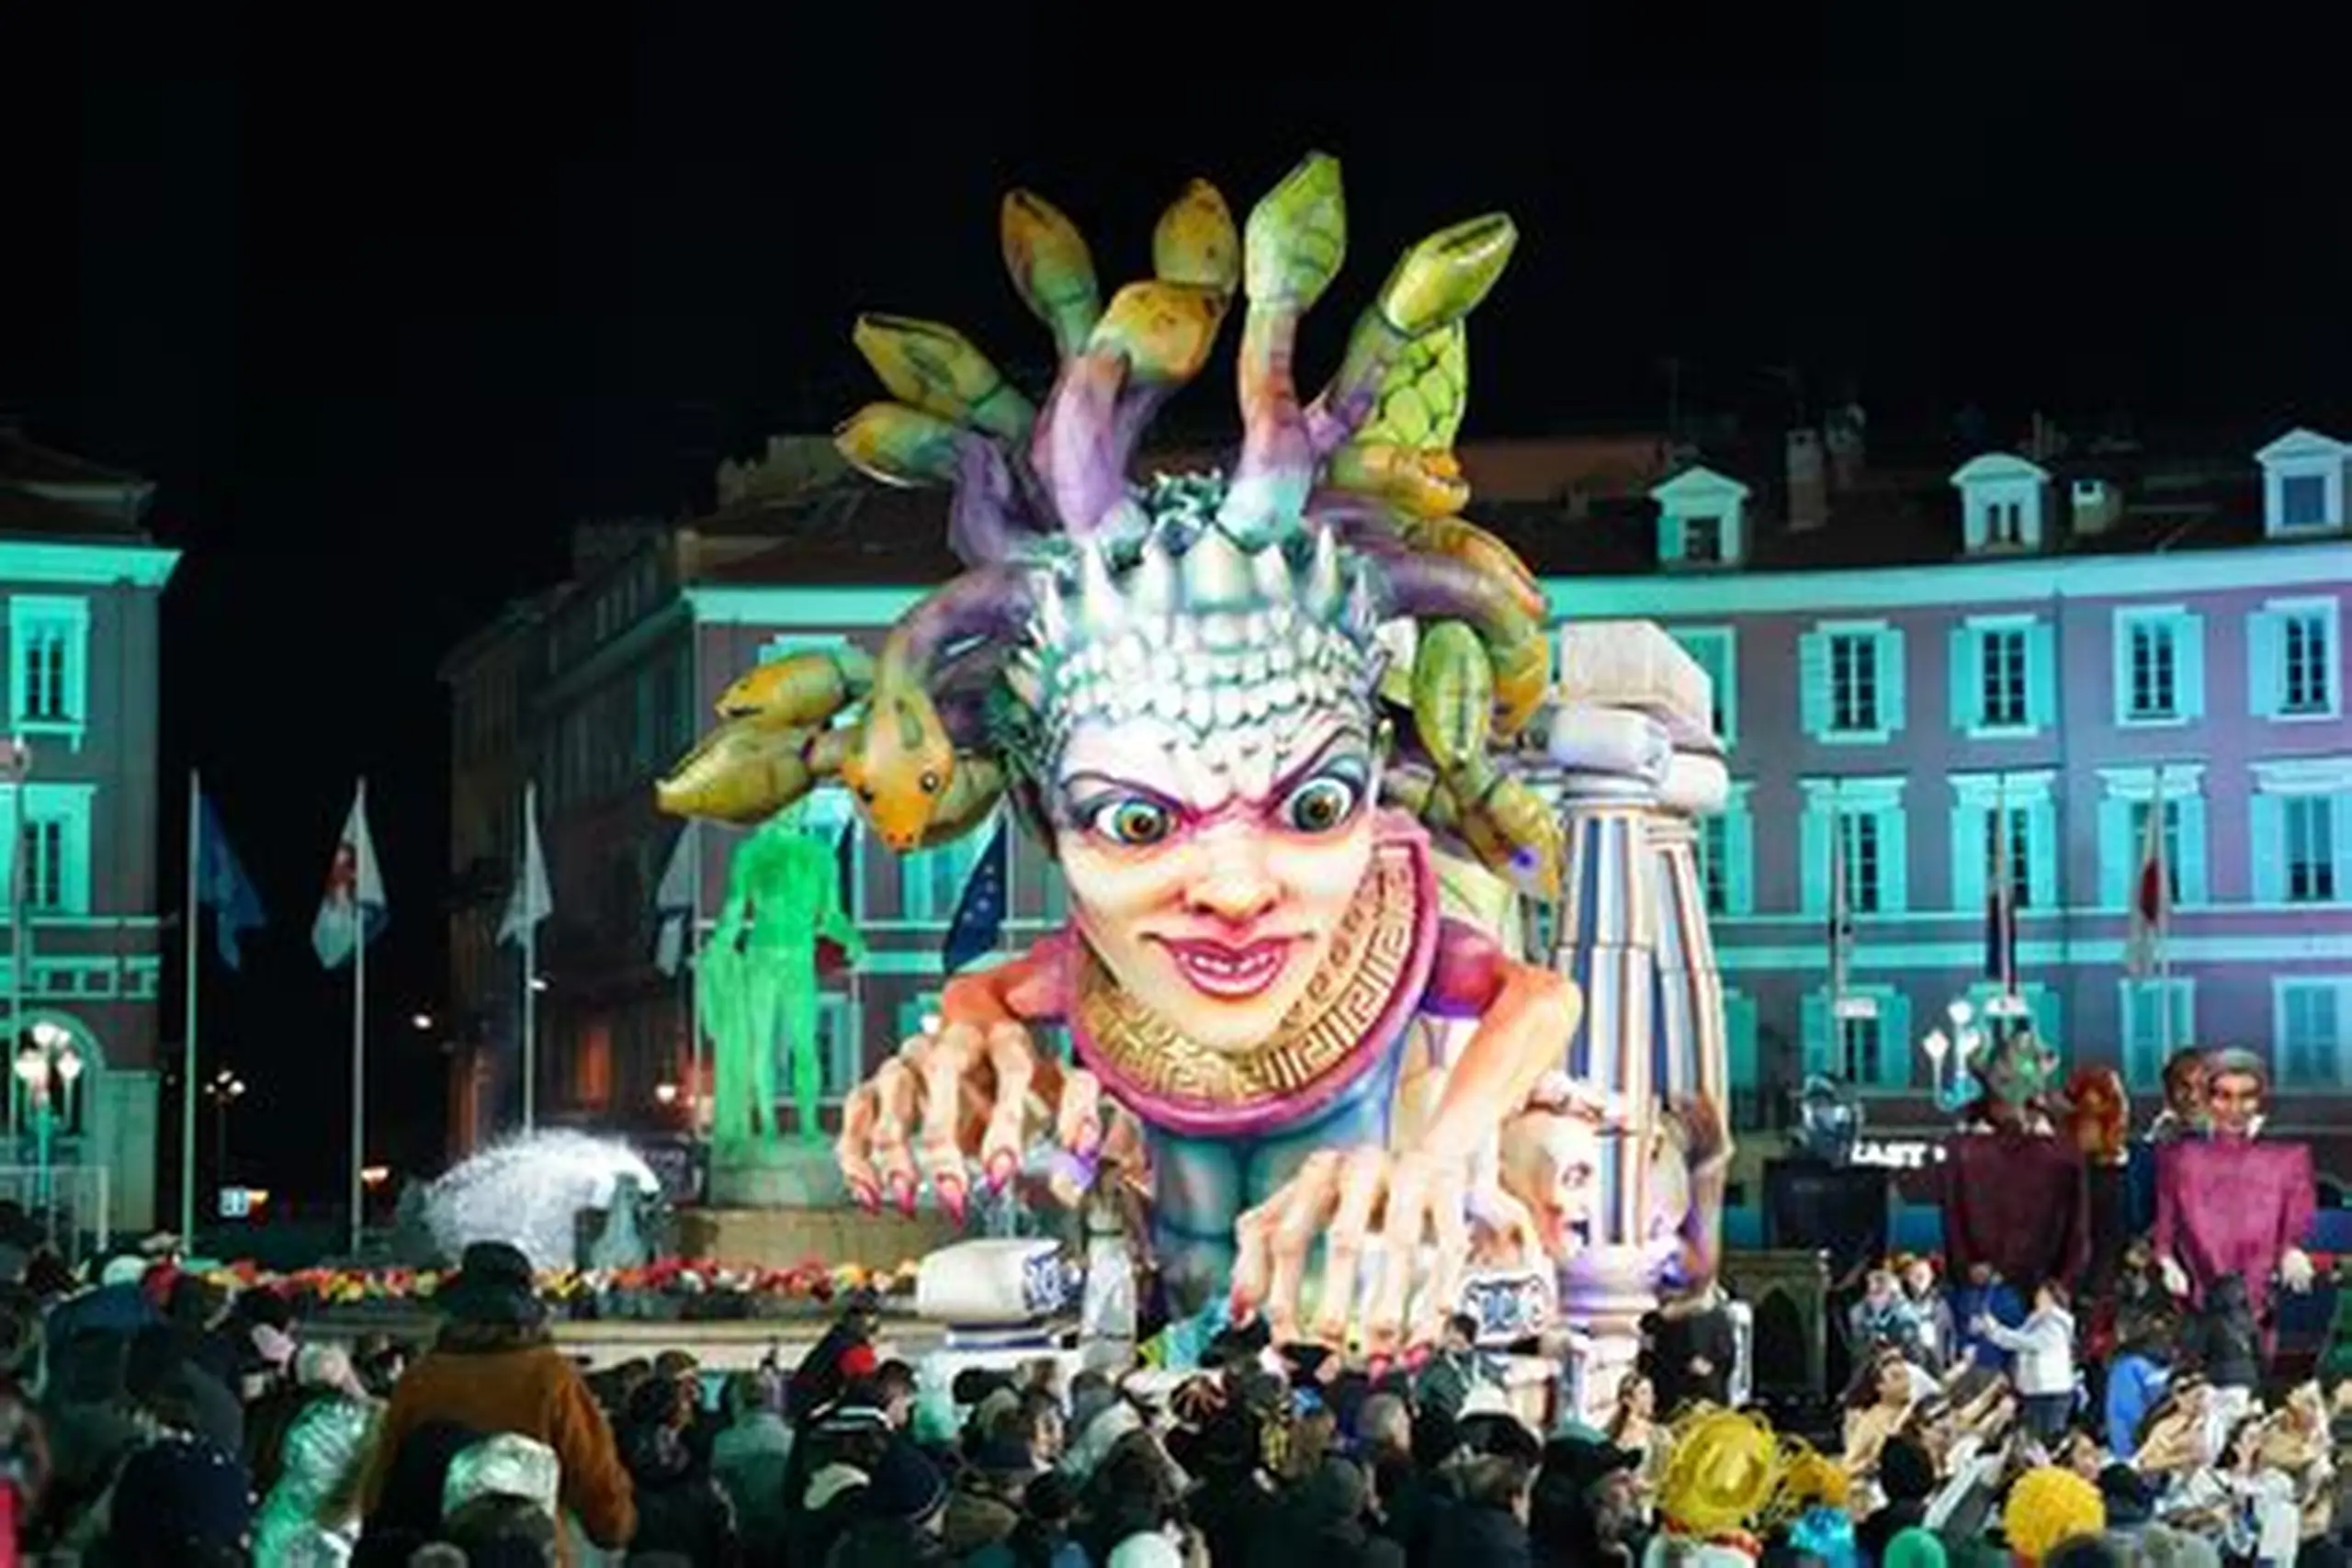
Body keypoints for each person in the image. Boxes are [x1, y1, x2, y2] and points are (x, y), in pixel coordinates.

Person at [357, 1240, 634, 1565]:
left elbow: (380, 1484)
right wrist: (615, 1526)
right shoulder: (550, 1377)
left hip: (442, 1552)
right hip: (531, 1550)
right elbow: (594, 1478)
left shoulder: (422, 1378)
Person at [1976, 1280, 2076, 1442]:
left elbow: (2025, 1342)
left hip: (2051, 1394)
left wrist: (1996, 1330)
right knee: (2032, 1439)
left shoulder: (2055, 1324)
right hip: (2035, 1392)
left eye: (2043, 1295)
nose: (2038, 1298)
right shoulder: (2036, 1321)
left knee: (2045, 1440)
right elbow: (2017, 1338)